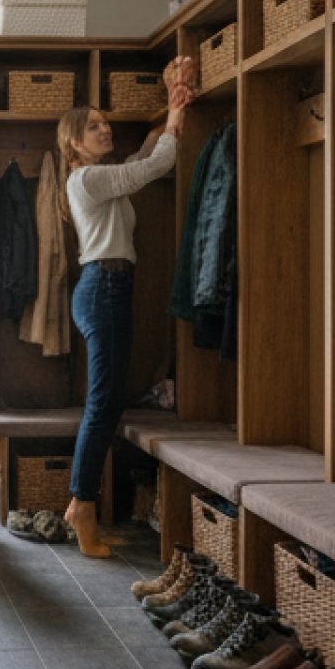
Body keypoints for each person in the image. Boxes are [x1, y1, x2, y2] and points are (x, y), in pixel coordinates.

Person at [56, 57, 194, 556]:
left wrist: (170, 99)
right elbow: (155, 164)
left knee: (107, 401)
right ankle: (82, 507)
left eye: (104, 121)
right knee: (103, 404)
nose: (104, 128)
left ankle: (82, 505)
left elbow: (141, 158)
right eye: (93, 126)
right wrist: (175, 116)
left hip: (108, 287)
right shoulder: (86, 180)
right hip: (104, 288)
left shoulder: (102, 177)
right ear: (74, 141)